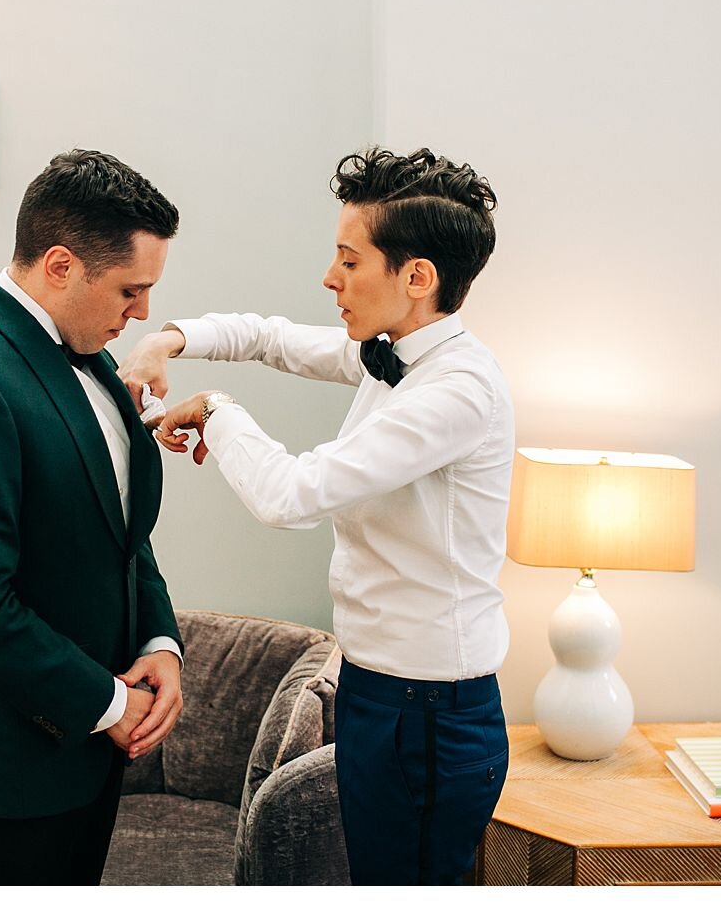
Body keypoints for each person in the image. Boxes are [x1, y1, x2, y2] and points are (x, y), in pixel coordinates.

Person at [121, 147, 512, 885]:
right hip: (378, 692)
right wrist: (166, 337)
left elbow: (290, 496)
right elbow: (270, 337)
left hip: (428, 711)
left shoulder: (458, 392)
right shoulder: (396, 353)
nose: (329, 278)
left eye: (349, 260)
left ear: (417, 277)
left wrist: (215, 409)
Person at [0, 149, 186, 885]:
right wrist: (109, 701)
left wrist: (160, 640)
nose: (144, 312)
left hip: (89, 756)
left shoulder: (89, 351)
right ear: (60, 265)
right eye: (132, 288)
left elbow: (120, 535)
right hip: (12, 769)